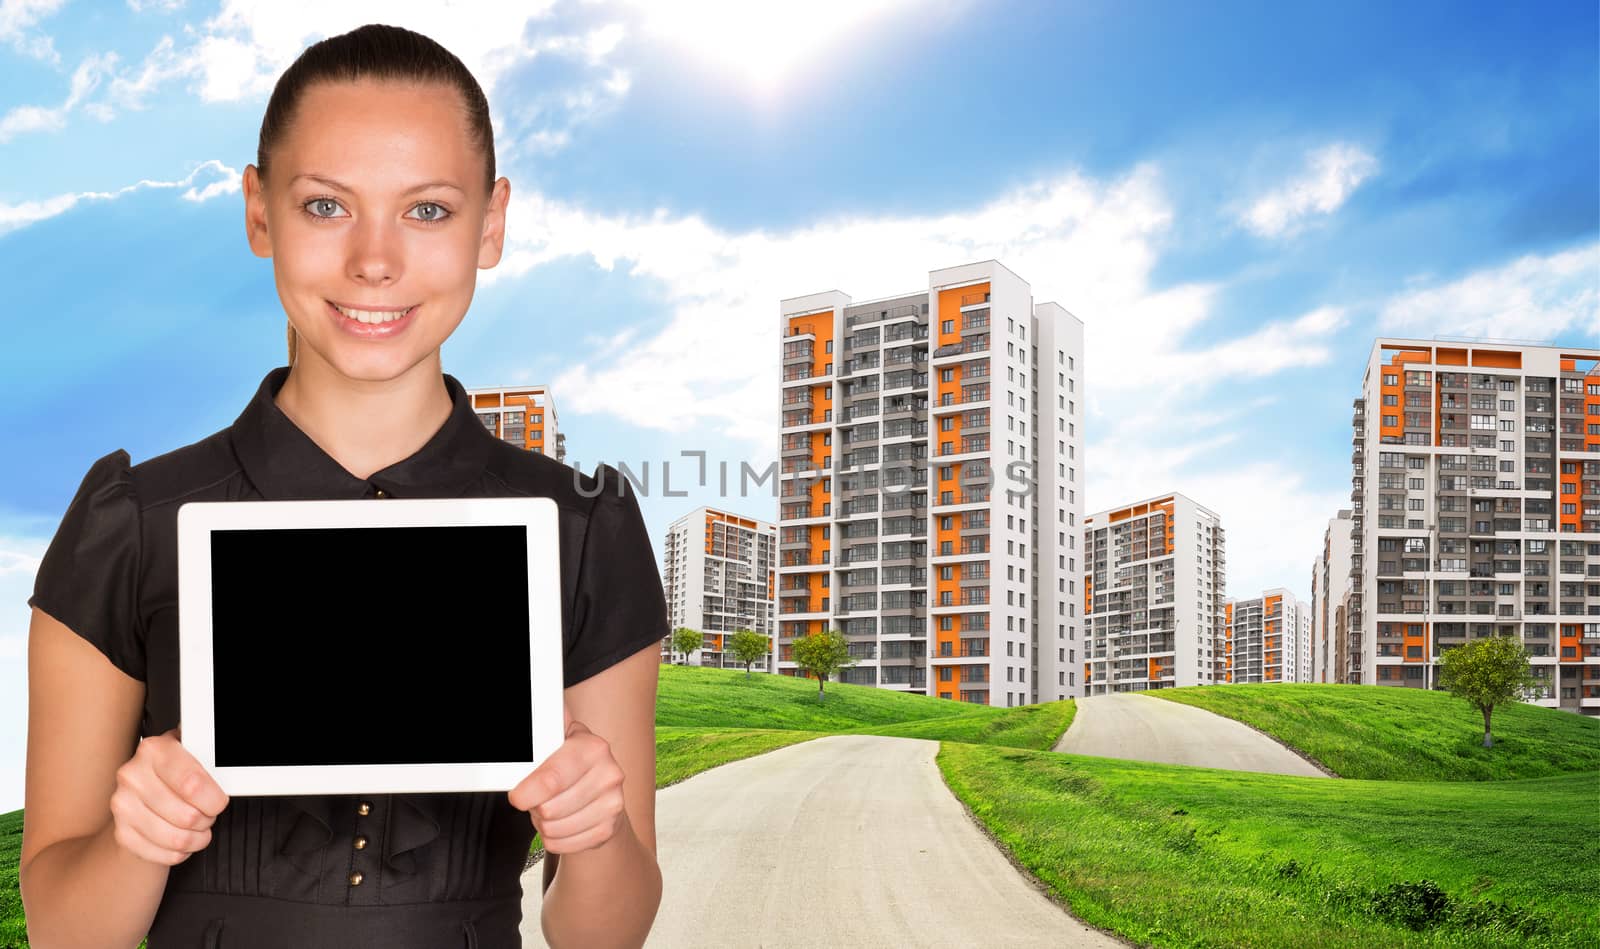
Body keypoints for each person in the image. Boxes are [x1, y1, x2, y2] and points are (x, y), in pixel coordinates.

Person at [18, 23, 665, 949]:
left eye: (429, 210)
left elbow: (608, 934)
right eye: (326, 206)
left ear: (492, 223)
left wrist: (591, 825)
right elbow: (64, 933)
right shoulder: (128, 524)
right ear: (258, 211)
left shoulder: (584, 528)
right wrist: (138, 840)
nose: (375, 260)